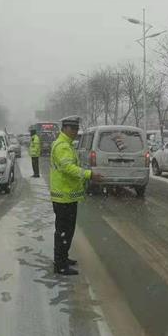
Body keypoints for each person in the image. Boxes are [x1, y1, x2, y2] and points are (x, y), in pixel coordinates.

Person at [49, 115, 102, 275]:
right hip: (63, 196)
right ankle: (60, 265)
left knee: (67, 230)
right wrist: (88, 174)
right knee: (64, 231)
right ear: (64, 128)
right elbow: (68, 168)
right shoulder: (63, 146)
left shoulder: (66, 144)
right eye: (72, 128)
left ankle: (63, 258)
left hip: (67, 195)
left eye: (76, 128)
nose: (75, 131)